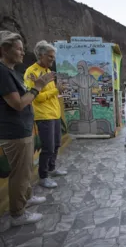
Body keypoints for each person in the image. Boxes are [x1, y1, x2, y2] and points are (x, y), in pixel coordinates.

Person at [0, 31, 54, 226]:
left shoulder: (12, 71)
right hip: (14, 132)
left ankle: (27, 197)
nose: (23, 53)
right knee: (19, 174)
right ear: (4, 50)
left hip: (23, 129)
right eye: (19, 49)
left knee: (26, 169)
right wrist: (38, 86)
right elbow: (18, 104)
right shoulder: (3, 72)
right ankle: (18, 213)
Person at [24, 40, 67, 189]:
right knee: (48, 147)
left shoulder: (48, 72)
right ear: (41, 56)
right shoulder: (32, 72)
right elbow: (36, 96)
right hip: (43, 116)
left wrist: (57, 91)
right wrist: (56, 90)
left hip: (54, 113)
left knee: (56, 145)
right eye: (50, 57)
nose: (52, 60)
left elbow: (49, 94)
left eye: (53, 57)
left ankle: (52, 168)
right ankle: (43, 176)